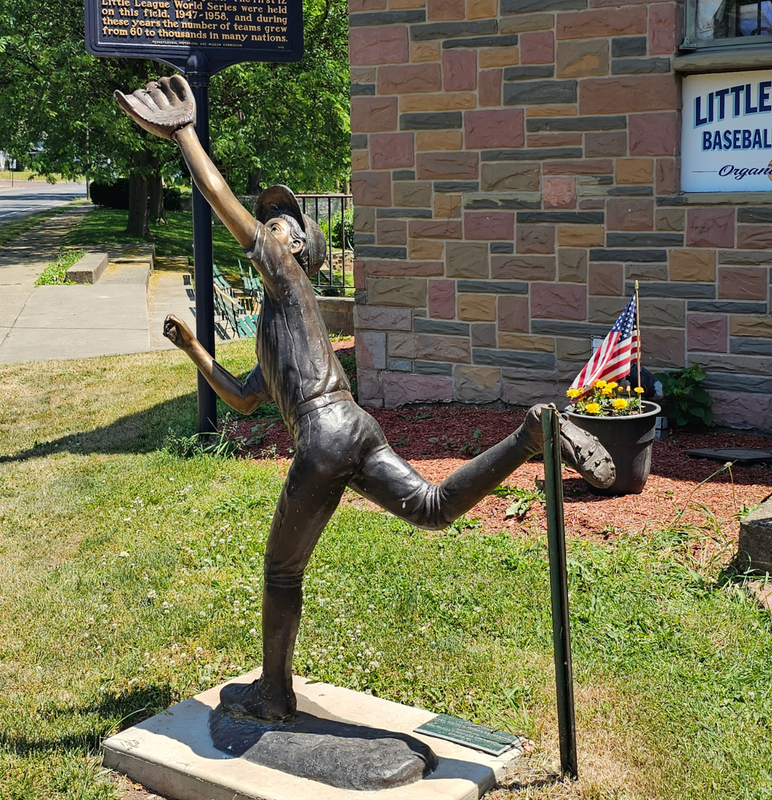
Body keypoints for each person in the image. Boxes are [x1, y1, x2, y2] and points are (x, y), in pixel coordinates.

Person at [115, 75, 615, 723]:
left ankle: (274, 691)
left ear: (294, 246)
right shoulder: (279, 323)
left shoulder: (288, 278)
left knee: (281, 574)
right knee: (432, 509)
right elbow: (242, 398)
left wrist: (185, 133)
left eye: (275, 225)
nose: (265, 228)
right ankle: (530, 434)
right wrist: (193, 350)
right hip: (353, 425)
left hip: (325, 437)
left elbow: (218, 198)